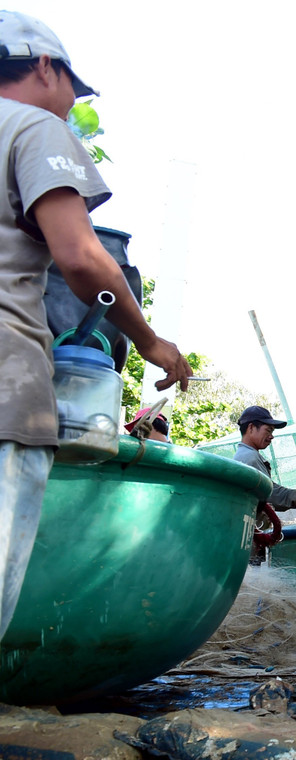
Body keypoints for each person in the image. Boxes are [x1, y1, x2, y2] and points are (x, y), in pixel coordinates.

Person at [0, 13, 191, 644]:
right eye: (71, 90)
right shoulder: (32, 127)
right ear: (44, 66)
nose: (69, 106)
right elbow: (82, 258)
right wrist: (150, 341)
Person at [233, 405, 296, 511]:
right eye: (268, 430)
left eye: (272, 432)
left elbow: (269, 487)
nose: (271, 436)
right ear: (251, 428)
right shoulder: (250, 457)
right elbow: (269, 493)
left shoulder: (243, 454)